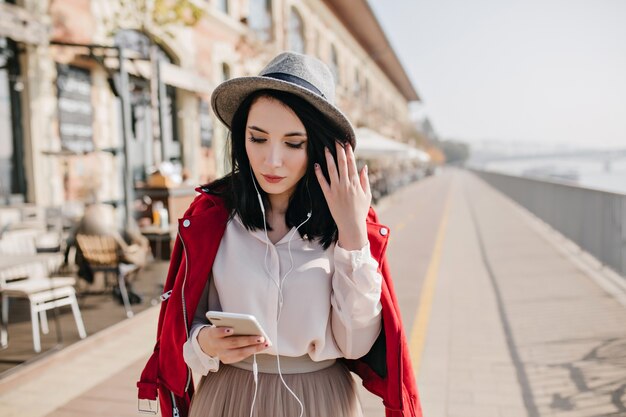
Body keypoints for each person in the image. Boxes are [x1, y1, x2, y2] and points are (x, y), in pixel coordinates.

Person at [137, 52, 421, 417]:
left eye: (292, 143)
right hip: (227, 397)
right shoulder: (212, 219)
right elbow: (183, 328)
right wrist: (205, 343)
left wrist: (352, 235)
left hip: (320, 399)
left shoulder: (346, 226)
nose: (272, 161)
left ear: (319, 146)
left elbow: (355, 344)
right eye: (257, 139)